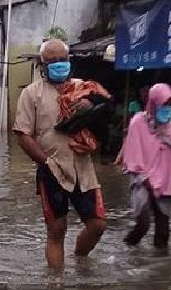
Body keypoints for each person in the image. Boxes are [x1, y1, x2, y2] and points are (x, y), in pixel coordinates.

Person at [13, 39, 109, 272]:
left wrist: (89, 106)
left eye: (63, 60)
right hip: (51, 170)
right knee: (57, 230)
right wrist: (45, 163)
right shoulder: (31, 94)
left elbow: (105, 109)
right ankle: (57, 285)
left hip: (83, 168)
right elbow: (22, 134)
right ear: (42, 65)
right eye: (53, 61)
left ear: (69, 61)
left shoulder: (83, 88)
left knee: (97, 225)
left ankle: (79, 259)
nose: (59, 65)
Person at [120, 83, 171, 249]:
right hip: (142, 177)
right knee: (143, 224)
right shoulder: (138, 123)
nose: (167, 109)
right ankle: (127, 249)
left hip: (164, 179)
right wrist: (144, 177)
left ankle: (159, 267)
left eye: (170, 105)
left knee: (163, 230)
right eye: (164, 105)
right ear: (153, 103)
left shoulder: (169, 125)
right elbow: (133, 153)